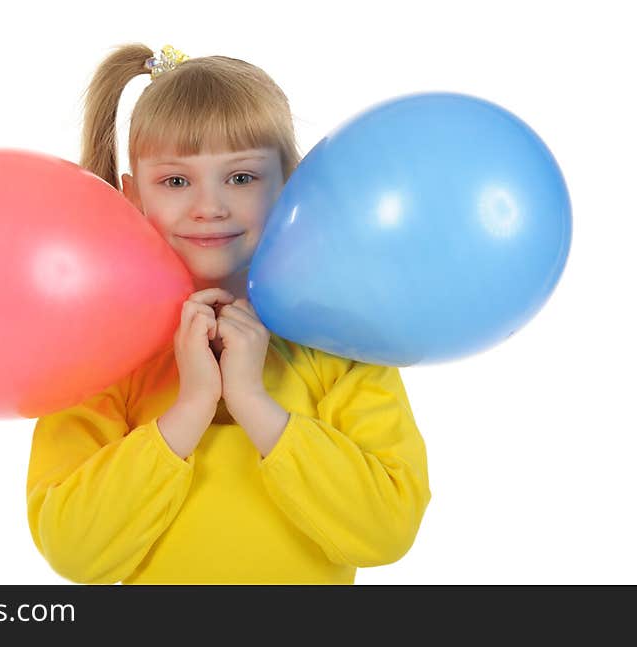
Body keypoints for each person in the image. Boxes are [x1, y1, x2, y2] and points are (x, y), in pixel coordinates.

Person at [25, 43, 431, 584]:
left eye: (241, 178)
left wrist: (253, 403)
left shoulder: (342, 346)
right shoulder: (101, 357)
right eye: (175, 181)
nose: (209, 206)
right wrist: (191, 407)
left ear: (291, 187)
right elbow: (74, 551)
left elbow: (386, 531)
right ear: (132, 196)